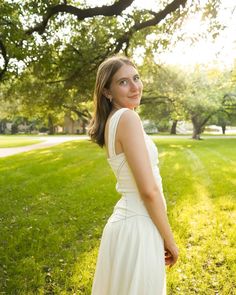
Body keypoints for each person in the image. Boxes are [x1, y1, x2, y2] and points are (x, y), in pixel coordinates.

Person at [88, 55, 179, 295]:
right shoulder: (128, 118)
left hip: (126, 226)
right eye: (123, 82)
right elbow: (148, 191)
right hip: (138, 227)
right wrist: (169, 239)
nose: (135, 86)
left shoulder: (112, 120)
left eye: (136, 78)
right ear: (107, 91)